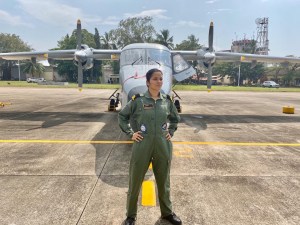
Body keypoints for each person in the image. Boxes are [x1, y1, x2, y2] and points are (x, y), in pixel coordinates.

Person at [118, 68, 182, 225]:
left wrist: (171, 131)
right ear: (147, 82)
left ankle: (167, 213)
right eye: (155, 79)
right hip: (142, 144)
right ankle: (131, 216)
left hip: (162, 144)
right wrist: (130, 132)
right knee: (135, 180)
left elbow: (175, 118)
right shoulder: (138, 100)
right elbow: (122, 116)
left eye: (161, 79)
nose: (159, 81)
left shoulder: (167, 101)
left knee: (164, 180)